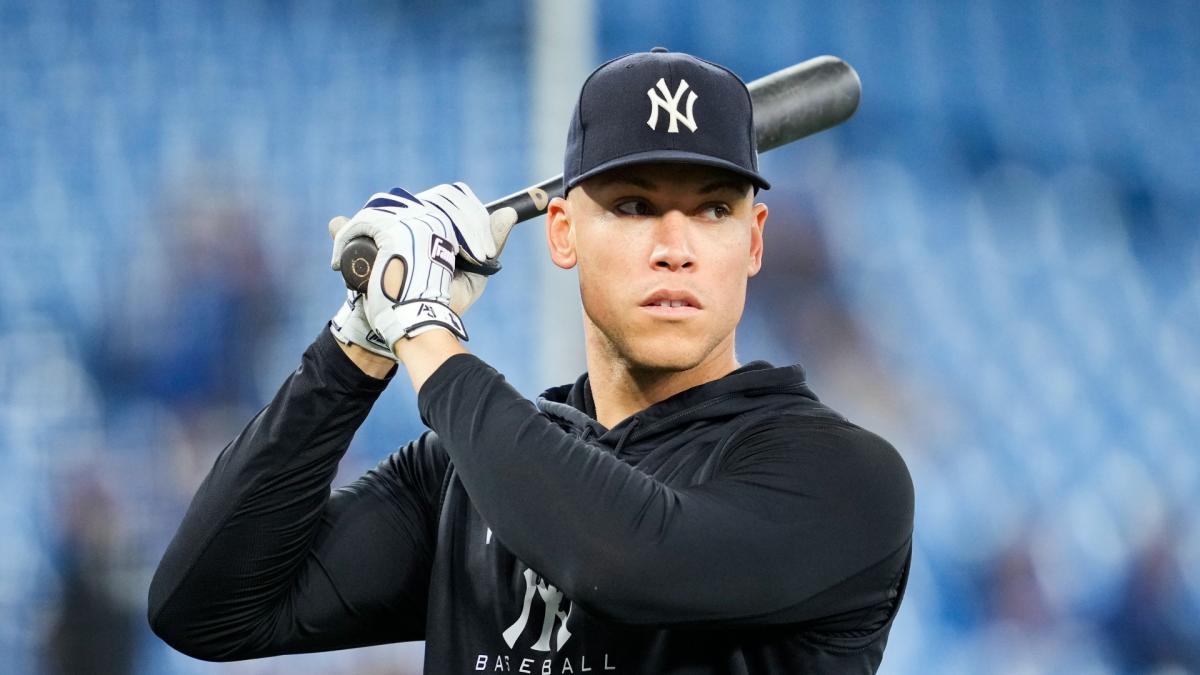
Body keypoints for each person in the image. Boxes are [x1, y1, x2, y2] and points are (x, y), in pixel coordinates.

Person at [148, 48, 914, 674]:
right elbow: (207, 606)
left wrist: (424, 327)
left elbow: (623, 558)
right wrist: (358, 339)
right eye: (634, 205)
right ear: (561, 235)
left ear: (753, 242)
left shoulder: (842, 476)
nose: (675, 248)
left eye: (714, 209)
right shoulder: (470, 475)